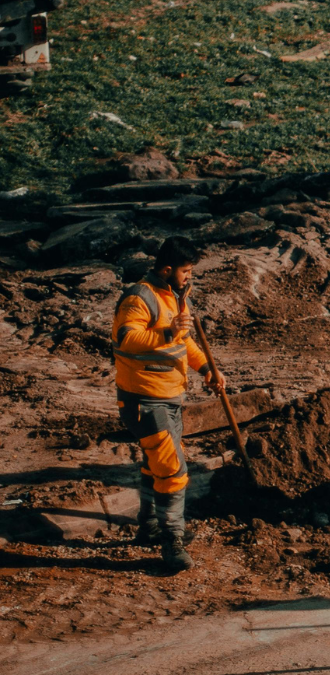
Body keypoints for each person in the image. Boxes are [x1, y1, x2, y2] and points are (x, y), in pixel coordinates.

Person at [112, 236, 224, 571]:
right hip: (144, 399)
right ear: (167, 269)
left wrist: (207, 369)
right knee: (172, 470)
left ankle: (148, 526)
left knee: (155, 464)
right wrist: (168, 332)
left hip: (169, 396)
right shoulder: (139, 297)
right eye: (186, 270)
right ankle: (171, 539)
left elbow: (184, 341)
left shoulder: (176, 296)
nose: (190, 276)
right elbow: (127, 337)